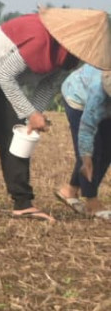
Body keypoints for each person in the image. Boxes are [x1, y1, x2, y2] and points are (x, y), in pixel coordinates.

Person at [0, 6, 110, 222]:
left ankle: (23, 202)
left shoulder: (69, 57)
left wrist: (33, 115)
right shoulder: (40, 39)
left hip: (6, 80)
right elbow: (4, 75)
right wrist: (30, 112)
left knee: (19, 135)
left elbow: (47, 86)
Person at [56, 65, 111, 220]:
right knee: (93, 151)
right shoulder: (97, 96)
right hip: (77, 96)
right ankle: (91, 202)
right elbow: (86, 131)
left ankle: (69, 190)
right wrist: (86, 156)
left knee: (108, 150)